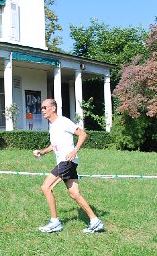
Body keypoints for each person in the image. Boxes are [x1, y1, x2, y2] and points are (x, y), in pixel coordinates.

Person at [32, 98, 104, 233]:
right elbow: (54, 146)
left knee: (46, 187)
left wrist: (75, 150)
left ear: (53, 108)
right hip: (67, 163)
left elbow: (83, 134)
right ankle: (95, 221)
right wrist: (42, 152)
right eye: (41, 108)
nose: (42, 110)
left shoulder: (63, 122)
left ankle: (55, 222)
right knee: (74, 194)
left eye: (45, 107)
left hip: (67, 162)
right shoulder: (53, 126)